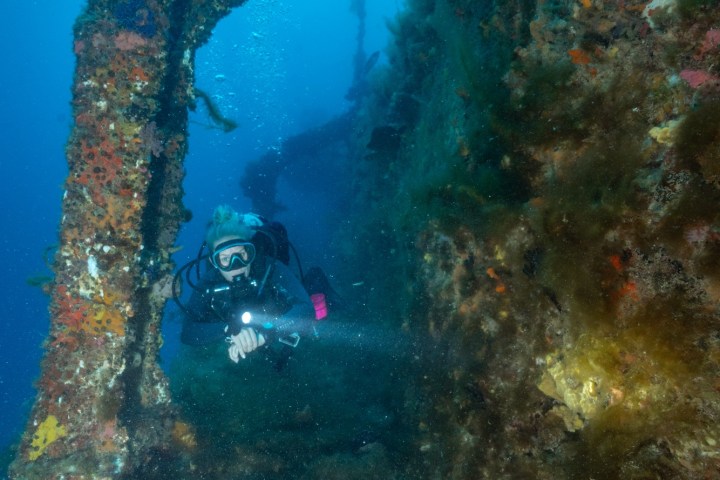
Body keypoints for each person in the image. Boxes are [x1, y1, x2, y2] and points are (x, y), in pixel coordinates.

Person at [179, 205, 317, 366]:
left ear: (250, 252)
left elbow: (307, 309)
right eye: (225, 259)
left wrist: (265, 334)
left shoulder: (268, 267)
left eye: (241, 254)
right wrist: (228, 329)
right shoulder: (209, 282)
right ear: (214, 262)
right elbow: (188, 333)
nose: (235, 265)